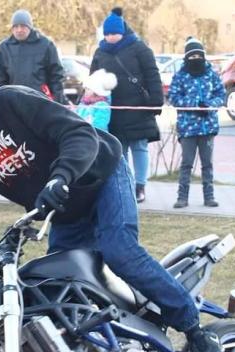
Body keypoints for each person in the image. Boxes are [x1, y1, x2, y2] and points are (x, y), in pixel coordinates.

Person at [0, 45, 222, 352]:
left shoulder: (8, 102)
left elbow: (79, 133)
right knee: (58, 291)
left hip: (100, 175)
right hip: (64, 211)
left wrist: (60, 177)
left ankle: (196, 332)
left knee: (119, 249)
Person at [91, 7, 163, 204]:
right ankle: (123, 184)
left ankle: (140, 186)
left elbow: (152, 75)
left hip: (138, 107)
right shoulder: (100, 52)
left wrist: (156, 101)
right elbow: (93, 79)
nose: (110, 37)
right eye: (106, 34)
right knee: (118, 150)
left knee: (139, 147)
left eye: (113, 33)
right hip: (113, 110)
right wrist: (90, 99)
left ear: (122, 32)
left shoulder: (140, 49)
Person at [168, 37, 226, 209]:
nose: (195, 60)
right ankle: (182, 197)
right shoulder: (180, 76)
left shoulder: (212, 74)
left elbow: (221, 95)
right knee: (186, 163)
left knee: (207, 164)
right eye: (191, 57)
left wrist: (209, 105)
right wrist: (193, 105)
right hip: (187, 128)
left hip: (208, 127)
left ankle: (209, 196)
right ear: (186, 58)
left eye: (198, 56)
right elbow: (173, 97)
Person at [0, 9, 67, 104]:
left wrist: (57, 101)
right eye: (16, 26)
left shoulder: (46, 45)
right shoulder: (4, 47)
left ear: (30, 27)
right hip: (14, 101)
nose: (19, 30)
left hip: (41, 101)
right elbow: (0, 79)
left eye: (23, 26)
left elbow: (56, 75)